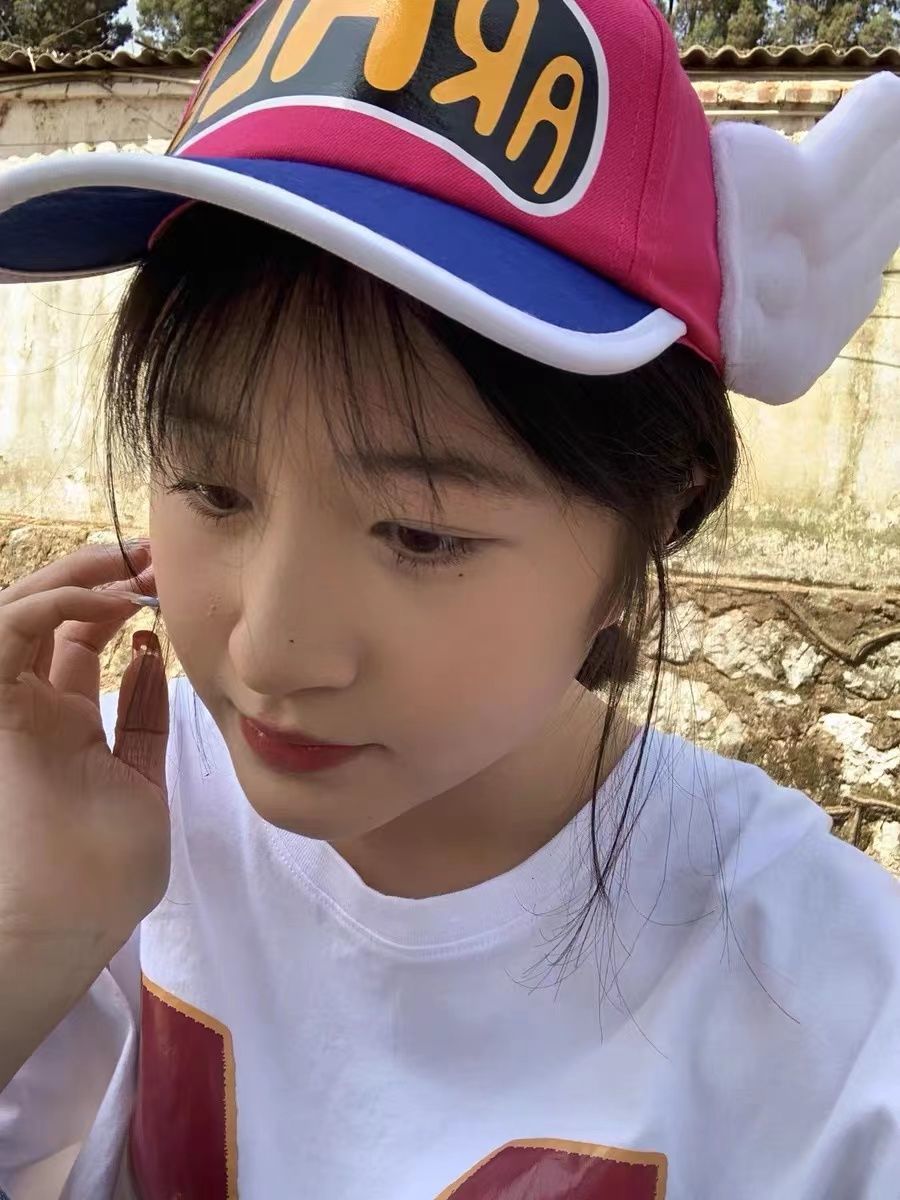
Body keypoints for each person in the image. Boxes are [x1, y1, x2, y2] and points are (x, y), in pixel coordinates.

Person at [0, 2, 898, 1197]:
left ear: (658, 515)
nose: (272, 653)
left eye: (421, 533)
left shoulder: (835, 1012)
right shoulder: (96, 807)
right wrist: (31, 938)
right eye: (212, 488)